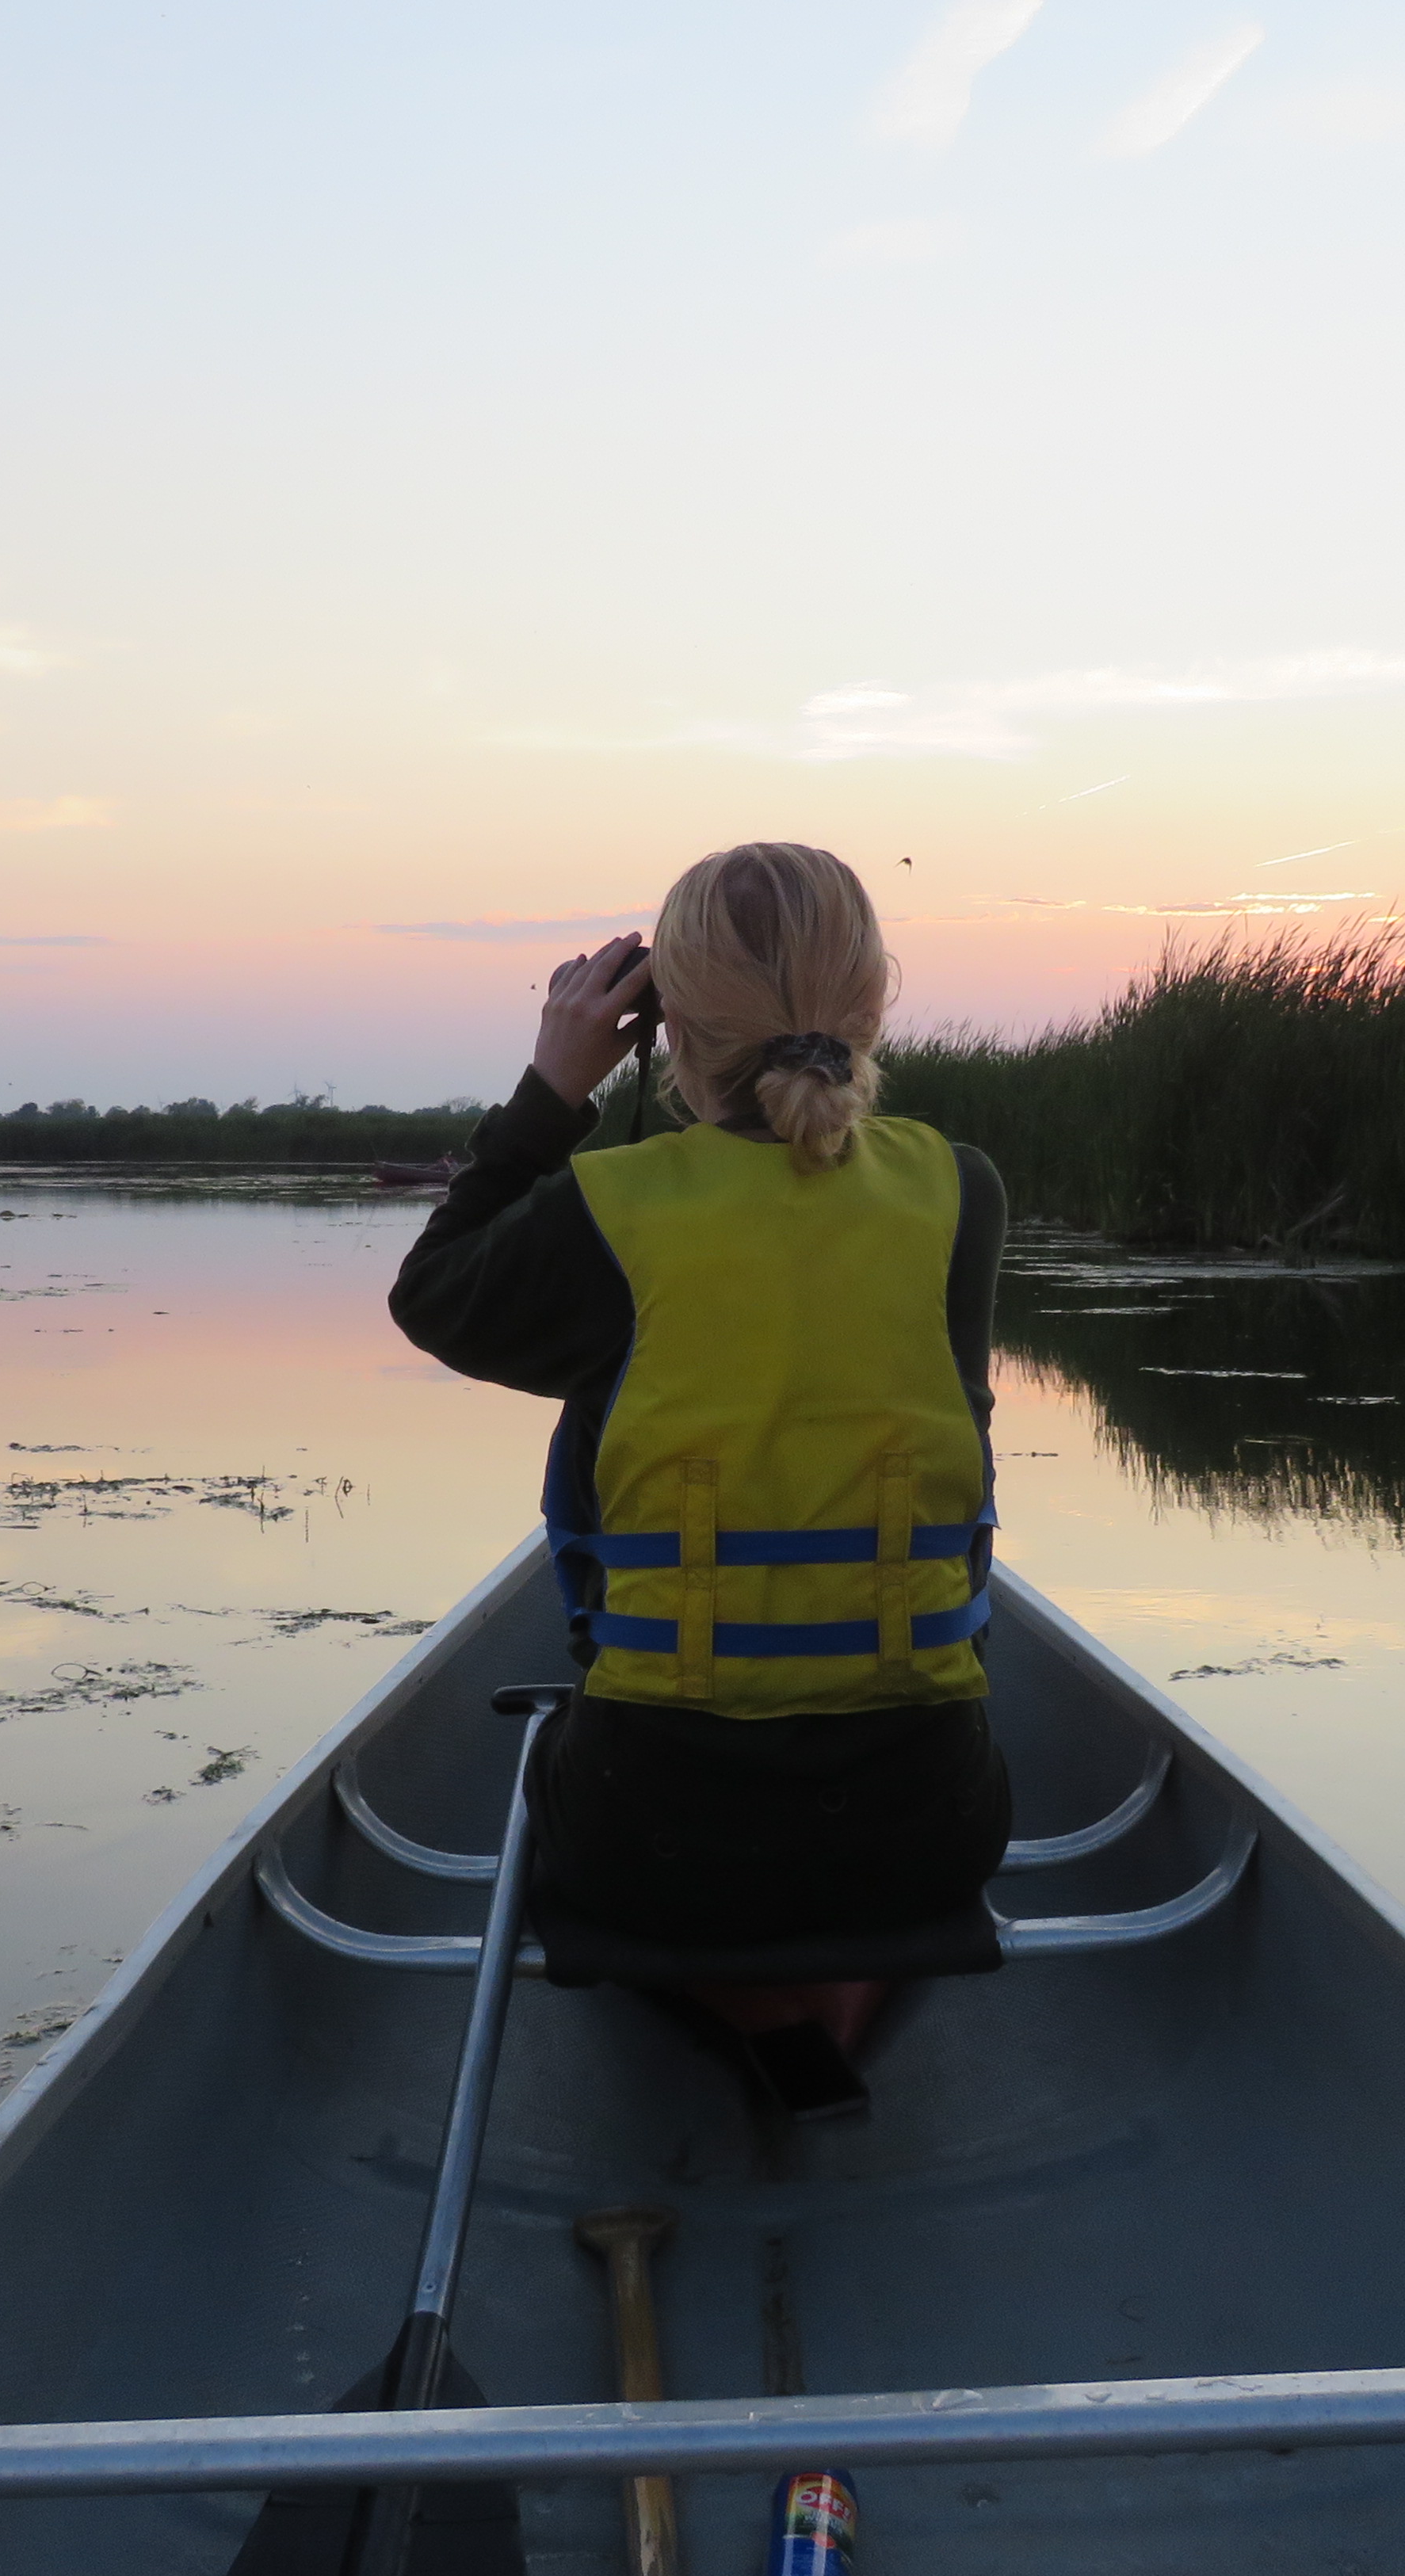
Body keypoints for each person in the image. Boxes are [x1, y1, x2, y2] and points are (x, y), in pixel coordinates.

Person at [388, 841, 1010, 2116]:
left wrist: (552, 1094)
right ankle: (819, 1995)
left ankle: (755, 1999)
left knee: (588, 1769)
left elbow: (435, 1299)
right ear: (875, 997)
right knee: (850, 1841)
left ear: (660, 1018)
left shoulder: (611, 1205)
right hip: (928, 1826)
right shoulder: (962, 1190)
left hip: (660, 1833)